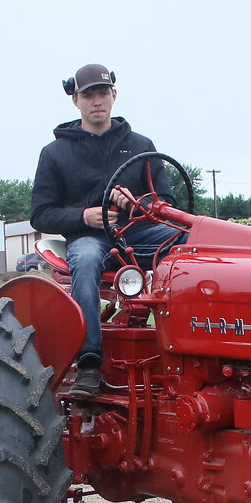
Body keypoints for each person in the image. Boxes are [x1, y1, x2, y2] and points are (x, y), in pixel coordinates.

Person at [31, 64, 178, 398]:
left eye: (102, 93)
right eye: (88, 95)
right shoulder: (55, 153)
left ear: (113, 95)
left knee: (189, 244)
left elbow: (167, 203)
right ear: (75, 101)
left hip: (137, 234)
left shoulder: (141, 145)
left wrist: (135, 201)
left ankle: (192, 347)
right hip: (90, 239)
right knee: (84, 260)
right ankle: (89, 363)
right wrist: (85, 217)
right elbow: (41, 215)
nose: (97, 101)